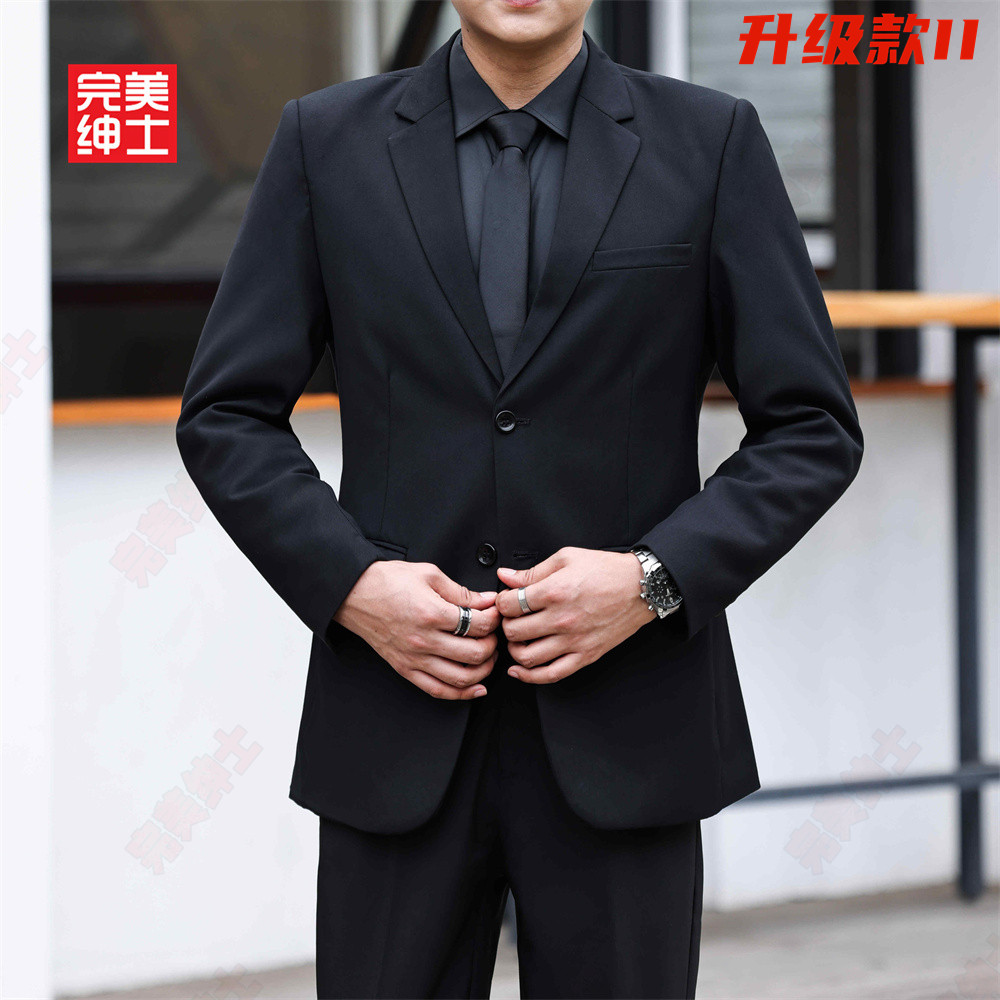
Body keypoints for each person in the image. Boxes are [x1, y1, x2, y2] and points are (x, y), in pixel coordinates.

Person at [176, 1, 864, 996]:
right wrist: (353, 585)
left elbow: (811, 427)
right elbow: (227, 413)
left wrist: (652, 580)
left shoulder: (709, 141)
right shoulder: (325, 141)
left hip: (628, 725)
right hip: (396, 717)